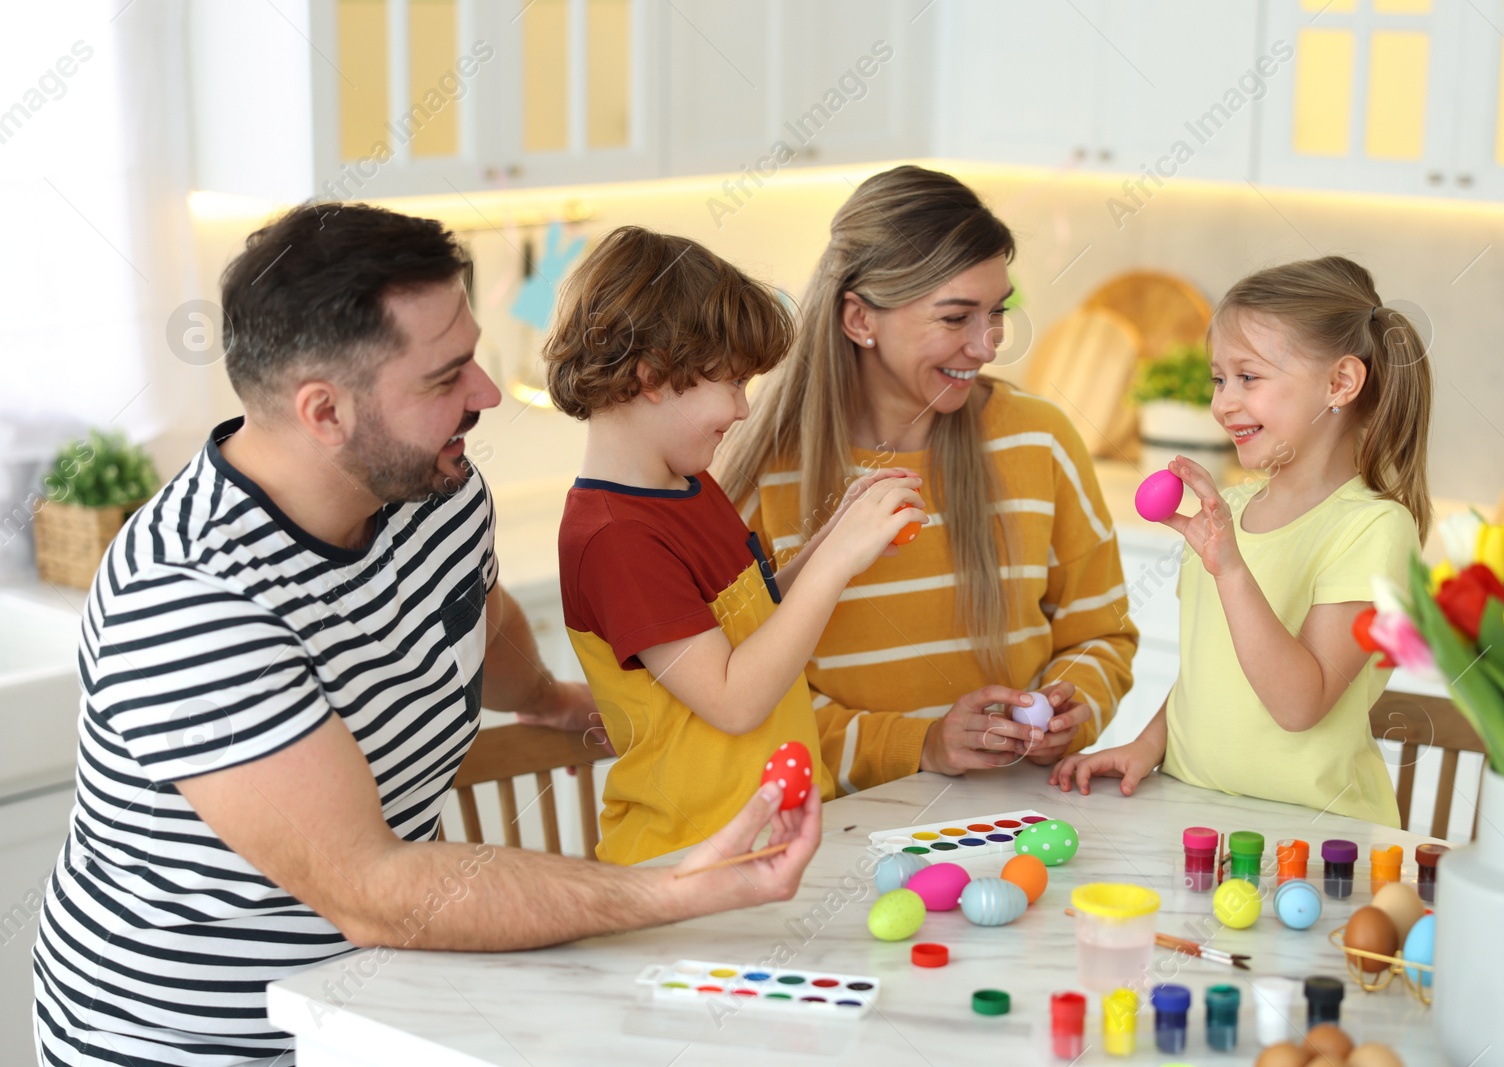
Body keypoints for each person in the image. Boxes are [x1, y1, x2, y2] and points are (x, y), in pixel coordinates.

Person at [33, 204, 823, 1067]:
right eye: (446, 377)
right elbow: (373, 890)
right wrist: (672, 886)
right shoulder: (188, 600)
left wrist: (549, 700)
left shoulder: (434, 490)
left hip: (386, 999)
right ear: (325, 412)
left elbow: (476, 615)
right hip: (199, 1042)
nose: (485, 393)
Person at [716, 165, 1138, 794]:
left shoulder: (1039, 440)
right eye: (954, 318)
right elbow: (745, 701)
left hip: (1019, 814)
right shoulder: (766, 479)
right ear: (860, 320)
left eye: (996, 313)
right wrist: (924, 745)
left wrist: (1075, 709)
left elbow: (1101, 631)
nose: (987, 345)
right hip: (841, 831)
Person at [545, 226, 924, 864]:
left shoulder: (689, 485)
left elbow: (751, 622)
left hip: (768, 843)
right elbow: (733, 698)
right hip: (687, 860)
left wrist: (835, 537)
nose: (744, 410)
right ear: (653, 376)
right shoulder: (615, 538)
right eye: (732, 384)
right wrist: (835, 563)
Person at [1053, 256, 1432, 828]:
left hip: (1316, 835)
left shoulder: (1374, 529)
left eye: (1248, 377)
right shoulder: (1225, 513)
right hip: (1194, 813)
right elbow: (1210, 670)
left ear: (1340, 383)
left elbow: (1300, 705)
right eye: (1219, 378)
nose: (1222, 402)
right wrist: (1146, 745)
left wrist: (1231, 570)